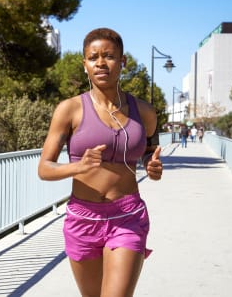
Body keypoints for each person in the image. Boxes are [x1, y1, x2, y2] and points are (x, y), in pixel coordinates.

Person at [38, 28, 163, 297]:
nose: (100, 63)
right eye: (93, 57)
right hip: (82, 218)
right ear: (85, 65)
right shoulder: (69, 109)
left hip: (127, 217)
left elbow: (148, 150)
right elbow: (44, 168)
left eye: (109, 56)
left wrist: (151, 166)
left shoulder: (145, 112)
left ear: (123, 62)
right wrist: (78, 167)